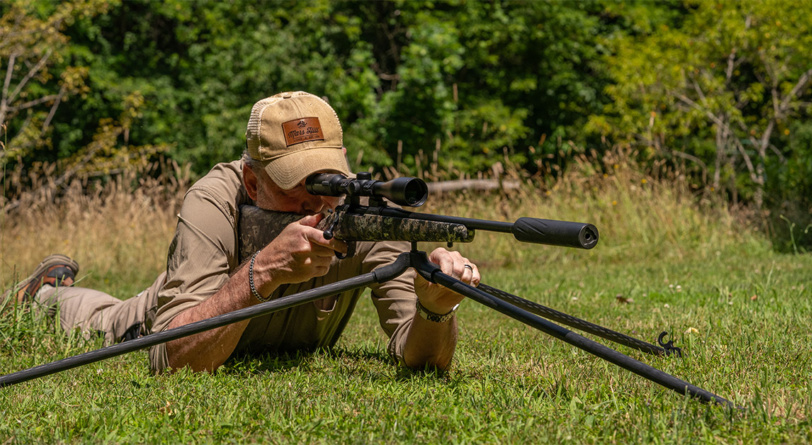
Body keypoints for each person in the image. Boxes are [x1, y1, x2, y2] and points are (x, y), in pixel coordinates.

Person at [6, 91, 480, 373]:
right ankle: (45, 291)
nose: (317, 202)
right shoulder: (215, 198)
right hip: (167, 313)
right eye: (297, 185)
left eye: (328, 181)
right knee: (99, 319)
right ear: (253, 181)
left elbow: (415, 356)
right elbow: (170, 358)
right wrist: (264, 271)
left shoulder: (366, 214)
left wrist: (435, 311)